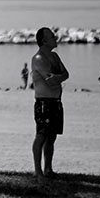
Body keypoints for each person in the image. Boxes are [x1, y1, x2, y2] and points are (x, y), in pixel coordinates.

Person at [31, 27, 69, 179]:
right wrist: (58, 77)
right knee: (41, 135)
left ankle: (48, 169)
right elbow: (51, 81)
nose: (55, 38)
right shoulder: (38, 59)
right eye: (52, 36)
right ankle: (38, 171)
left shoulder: (54, 56)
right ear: (44, 41)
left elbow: (66, 74)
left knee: (52, 136)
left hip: (56, 102)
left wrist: (57, 77)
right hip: (44, 103)